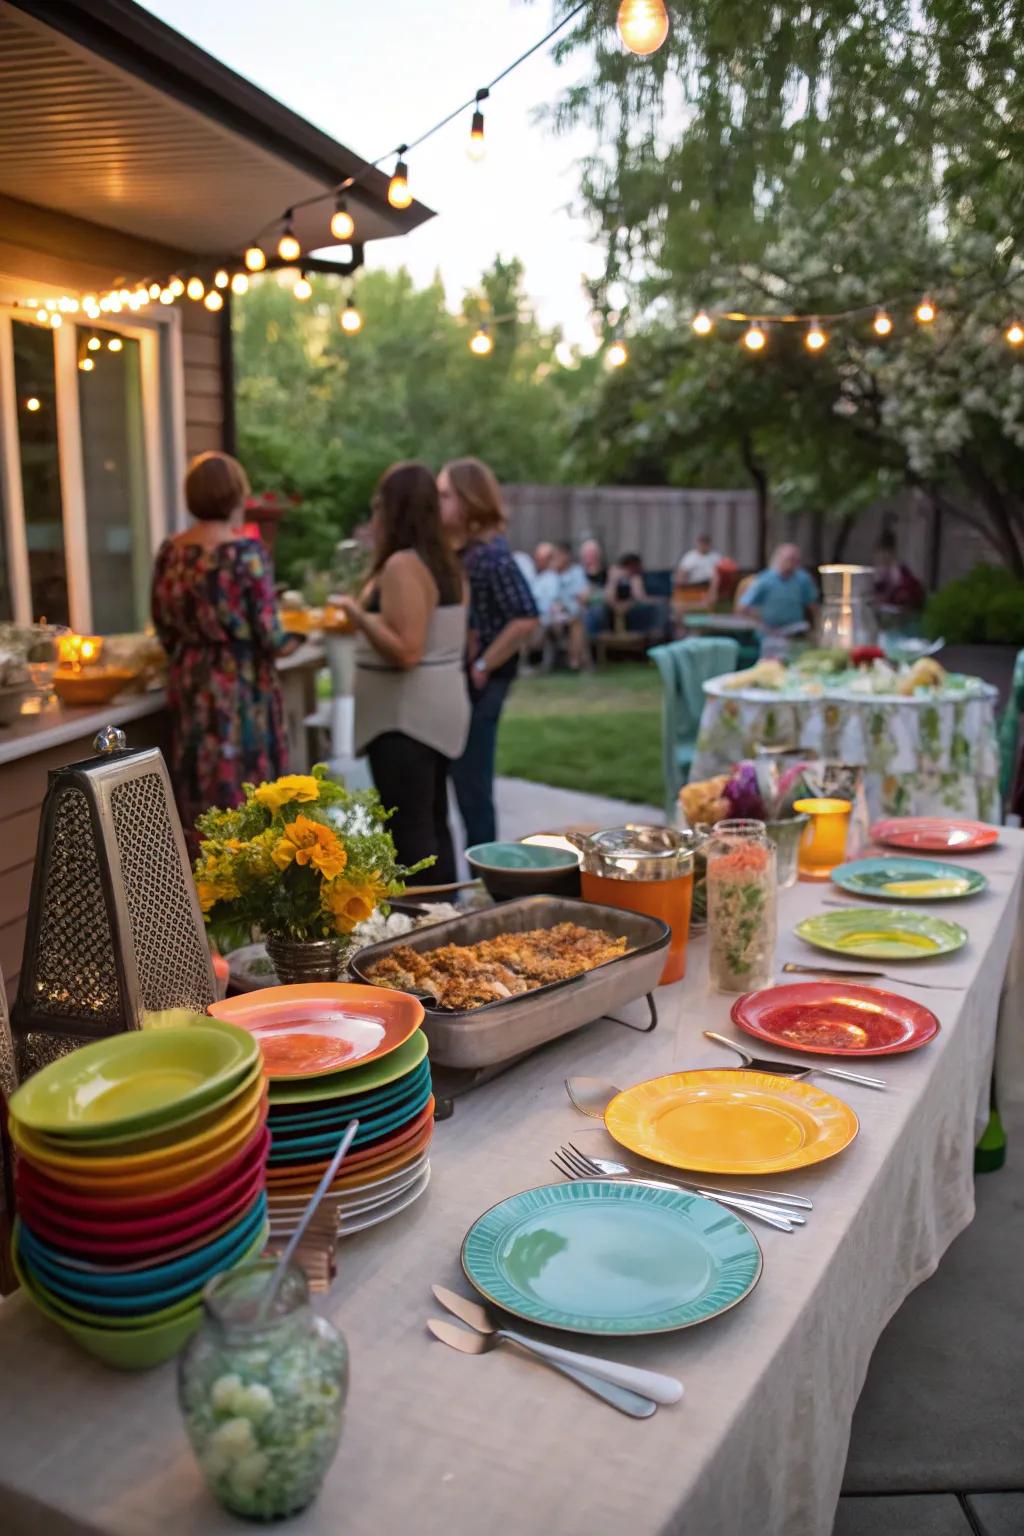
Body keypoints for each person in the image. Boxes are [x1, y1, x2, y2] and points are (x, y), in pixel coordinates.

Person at [336, 462, 468, 886]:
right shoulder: (443, 562)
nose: (375, 515)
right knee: (431, 822)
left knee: (410, 834)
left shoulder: (403, 566)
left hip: (405, 719)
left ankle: (421, 917)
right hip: (432, 713)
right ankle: (445, 912)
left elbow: (407, 650)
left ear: (394, 509)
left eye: (379, 505)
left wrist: (357, 614)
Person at [151, 451, 292, 844]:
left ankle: (204, 868)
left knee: (200, 792)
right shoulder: (246, 553)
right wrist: (295, 640)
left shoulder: (171, 552)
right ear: (234, 495)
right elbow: (270, 635)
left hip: (191, 682)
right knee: (249, 795)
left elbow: (163, 625)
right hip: (240, 685)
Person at [437, 457, 539, 846]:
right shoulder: (466, 552)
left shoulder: (490, 555)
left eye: (445, 495)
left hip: (484, 683)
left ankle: (485, 871)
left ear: (469, 500)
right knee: (463, 782)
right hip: (466, 680)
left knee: (472, 785)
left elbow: (525, 616)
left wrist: (483, 663)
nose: (438, 503)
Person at [738, 543, 820, 633]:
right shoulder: (764, 579)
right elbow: (744, 605)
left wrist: (818, 626)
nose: (790, 563)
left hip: (796, 628)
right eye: (788, 559)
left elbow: (812, 605)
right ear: (778, 559)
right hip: (767, 629)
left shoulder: (803, 579)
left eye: (794, 560)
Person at [873, 533, 925, 616]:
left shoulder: (904, 577)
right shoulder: (882, 577)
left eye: (883, 556)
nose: (880, 560)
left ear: (891, 553)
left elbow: (909, 601)